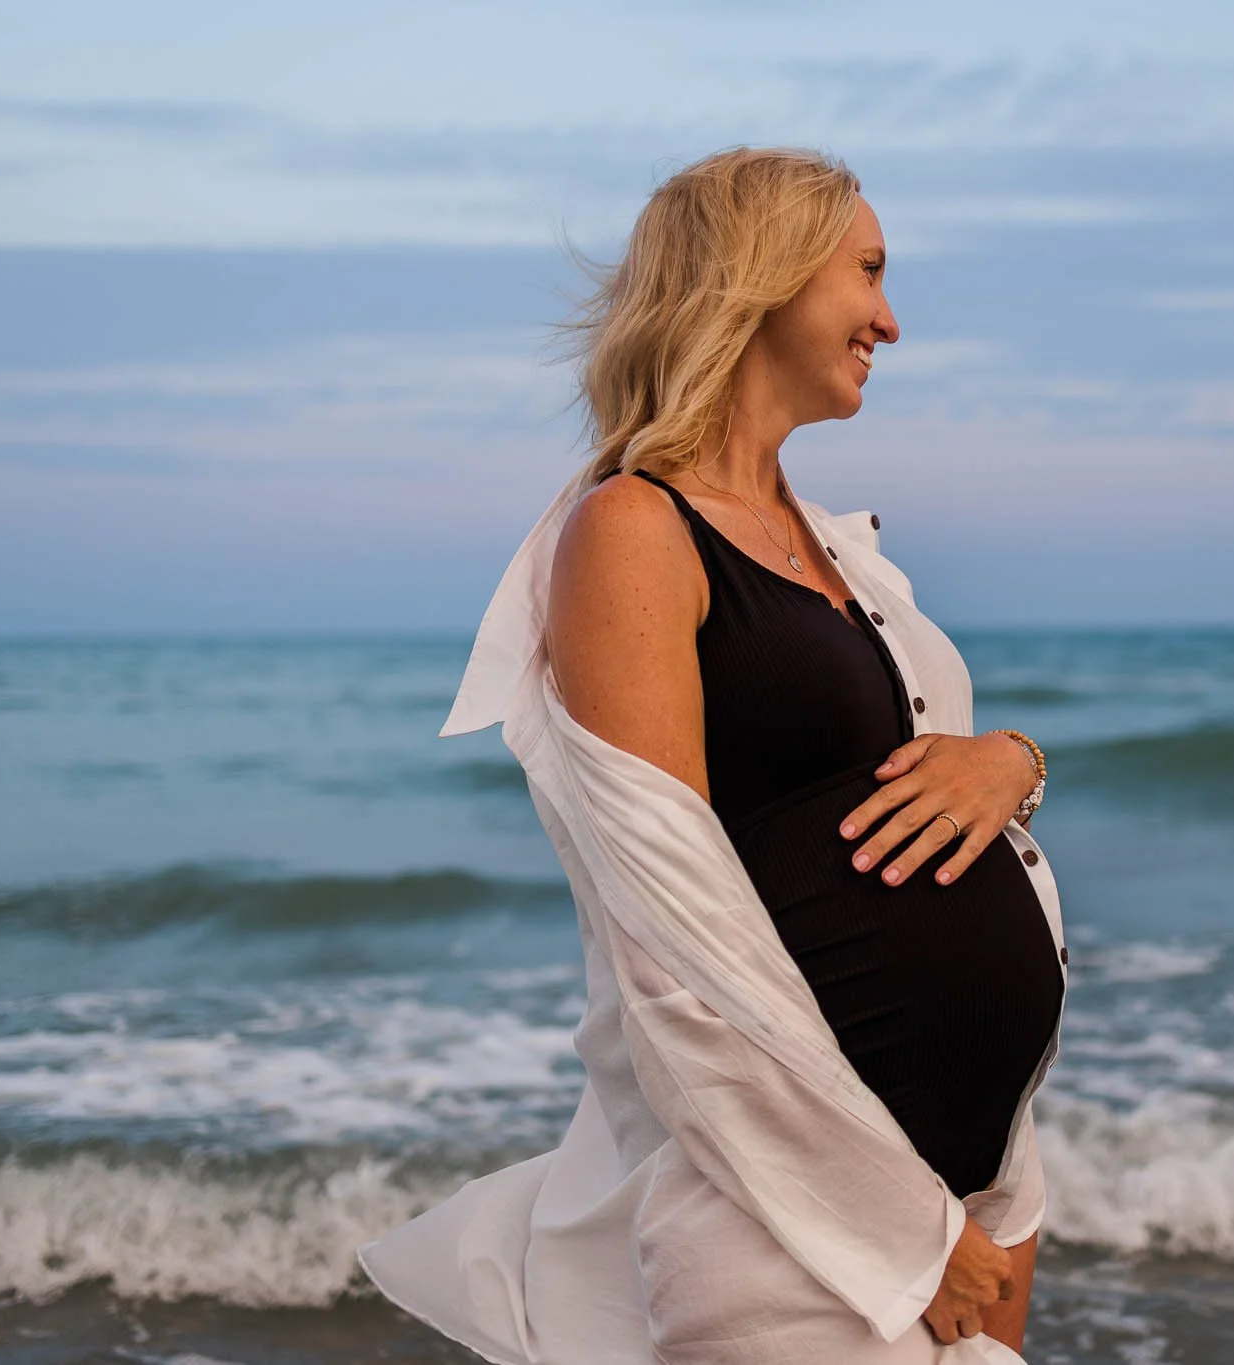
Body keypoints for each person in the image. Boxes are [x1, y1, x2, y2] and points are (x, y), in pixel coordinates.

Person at [358, 146, 1069, 1364]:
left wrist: (1014, 758)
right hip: (789, 1226)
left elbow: (937, 777)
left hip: (966, 1190)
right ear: (766, 276)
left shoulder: (841, 553)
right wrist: (899, 1223)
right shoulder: (633, 530)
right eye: (867, 272)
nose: (890, 321)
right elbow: (677, 949)